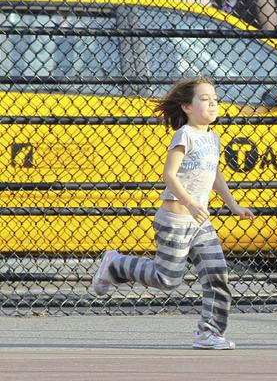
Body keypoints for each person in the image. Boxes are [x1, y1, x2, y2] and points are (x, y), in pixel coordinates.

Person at [90, 76, 255, 350]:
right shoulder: (185, 135)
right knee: (167, 279)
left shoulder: (213, 138)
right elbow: (169, 176)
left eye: (215, 99)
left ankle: (208, 333)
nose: (213, 104)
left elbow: (215, 175)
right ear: (187, 107)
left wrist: (233, 206)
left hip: (201, 223)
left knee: (217, 274)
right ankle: (115, 264)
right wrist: (191, 203)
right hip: (176, 218)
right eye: (204, 99)